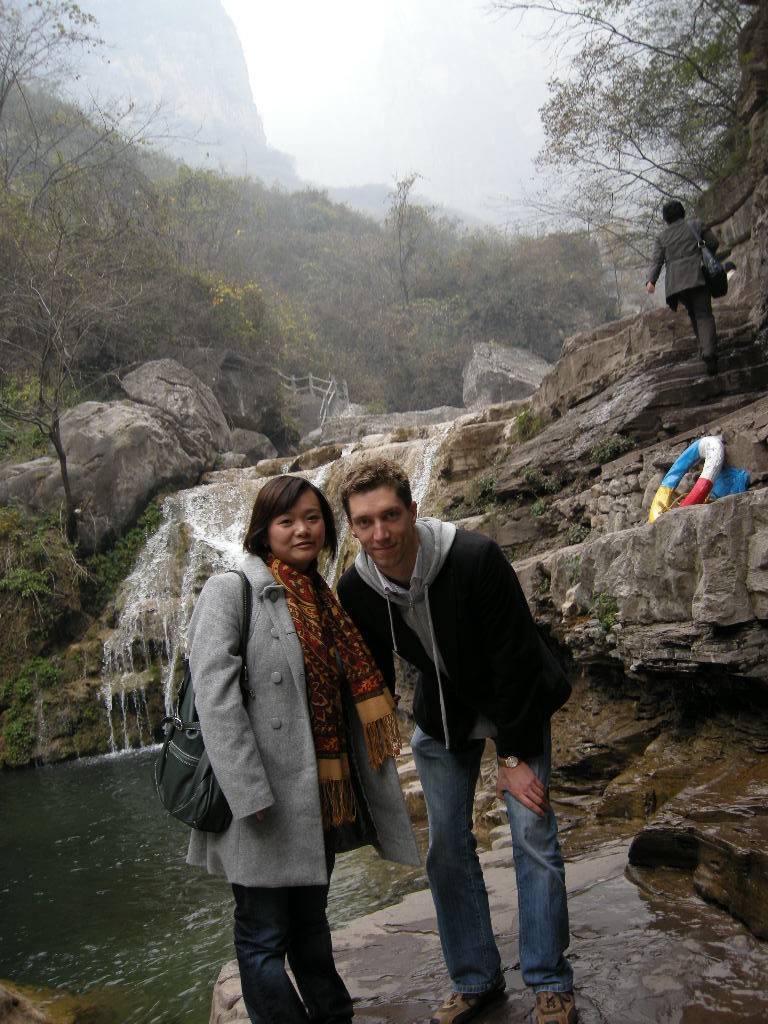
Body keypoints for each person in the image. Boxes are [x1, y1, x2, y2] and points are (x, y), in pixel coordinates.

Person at [336, 457, 576, 1024]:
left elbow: (515, 662)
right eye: (366, 523)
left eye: (391, 516)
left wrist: (511, 758)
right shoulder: (357, 587)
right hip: (442, 714)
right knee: (445, 847)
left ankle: (549, 981)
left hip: (514, 699)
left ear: (413, 511)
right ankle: (475, 979)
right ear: (351, 528)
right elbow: (371, 672)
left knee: (532, 831)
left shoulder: (473, 557)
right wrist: (366, 749)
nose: (381, 533)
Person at [185, 474, 419, 1024]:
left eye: (312, 517)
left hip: (316, 796)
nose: (302, 530)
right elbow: (214, 696)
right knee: (264, 935)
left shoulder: (322, 597)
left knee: (312, 927)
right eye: (286, 520)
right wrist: (247, 791)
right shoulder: (232, 589)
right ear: (263, 530)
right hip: (261, 797)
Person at [646, 199, 722, 375]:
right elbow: (713, 243)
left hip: (676, 284)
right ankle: (709, 351)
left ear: (666, 219)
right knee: (703, 314)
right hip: (697, 276)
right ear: (683, 212)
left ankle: (704, 349)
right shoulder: (695, 225)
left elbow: (657, 260)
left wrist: (651, 281)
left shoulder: (662, 237)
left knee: (693, 313)